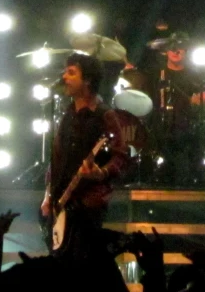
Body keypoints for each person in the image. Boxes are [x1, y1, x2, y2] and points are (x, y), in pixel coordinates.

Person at [40, 52, 130, 261]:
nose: (64, 77)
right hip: (61, 203)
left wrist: (101, 173)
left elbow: (121, 156)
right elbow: (56, 160)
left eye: (71, 73)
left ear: (87, 80)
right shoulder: (67, 115)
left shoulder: (105, 115)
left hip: (88, 205)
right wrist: (48, 195)